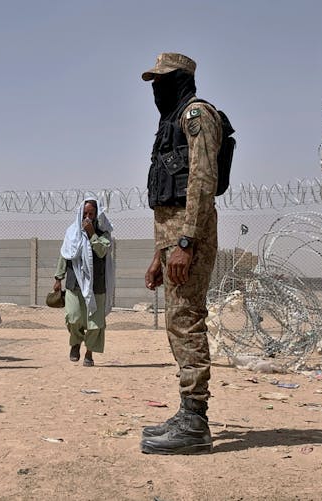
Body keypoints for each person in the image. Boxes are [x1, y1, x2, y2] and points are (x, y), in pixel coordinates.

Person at [140, 53, 222, 455]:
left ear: (181, 79)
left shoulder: (196, 116)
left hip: (192, 239)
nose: (156, 88)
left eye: (162, 80)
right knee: (177, 321)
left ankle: (195, 420)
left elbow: (203, 183)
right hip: (174, 242)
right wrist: (161, 253)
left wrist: (186, 243)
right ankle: (187, 412)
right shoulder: (169, 123)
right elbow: (167, 198)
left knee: (187, 320)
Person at [53, 197, 115, 367]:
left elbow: (102, 251)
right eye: (85, 214)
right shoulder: (72, 233)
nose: (87, 217)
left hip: (97, 284)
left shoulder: (104, 233)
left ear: (97, 216)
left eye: (91, 214)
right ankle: (75, 343)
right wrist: (58, 277)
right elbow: (65, 254)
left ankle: (89, 352)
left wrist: (92, 234)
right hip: (74, 283)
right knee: (73, 318)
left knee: (95, 324)